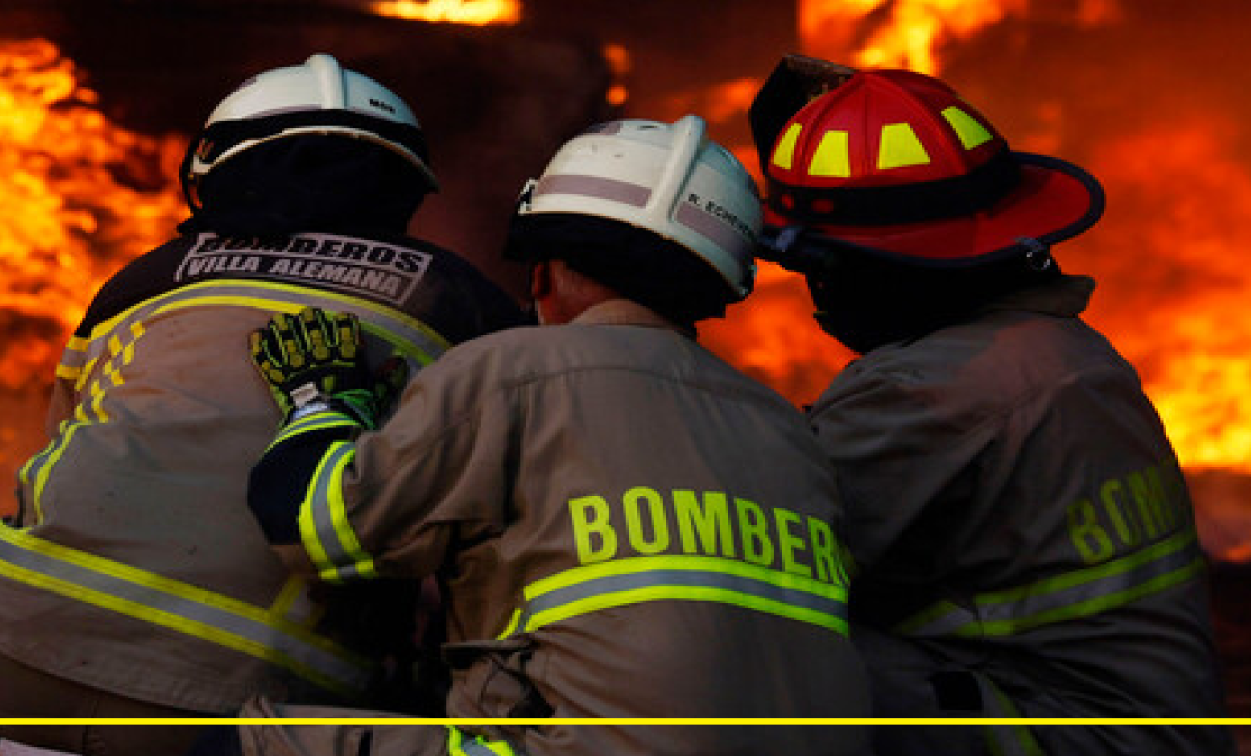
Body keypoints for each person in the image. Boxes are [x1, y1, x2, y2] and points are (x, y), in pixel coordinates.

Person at [0, 54, 527, 756]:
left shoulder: (142, 283)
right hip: (267, 709)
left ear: (215, 169)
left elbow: (58, 462)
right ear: (404, 187)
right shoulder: (466, 307)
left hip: (13, 654)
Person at [235, 115, 874, 756]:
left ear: (541, 271)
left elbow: (322, 530)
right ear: (715, 286)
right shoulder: (791, 430)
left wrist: (322, 401)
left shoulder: (509, 373)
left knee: (250, 742)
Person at [746, 57, 1232, 756]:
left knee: (739, 645)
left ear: (869, 269)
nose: (815, 289)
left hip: (1063, 738)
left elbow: (753, 546)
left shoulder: (934, 391)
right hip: (1136, 733)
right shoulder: (1067, 354)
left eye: (818, 265)